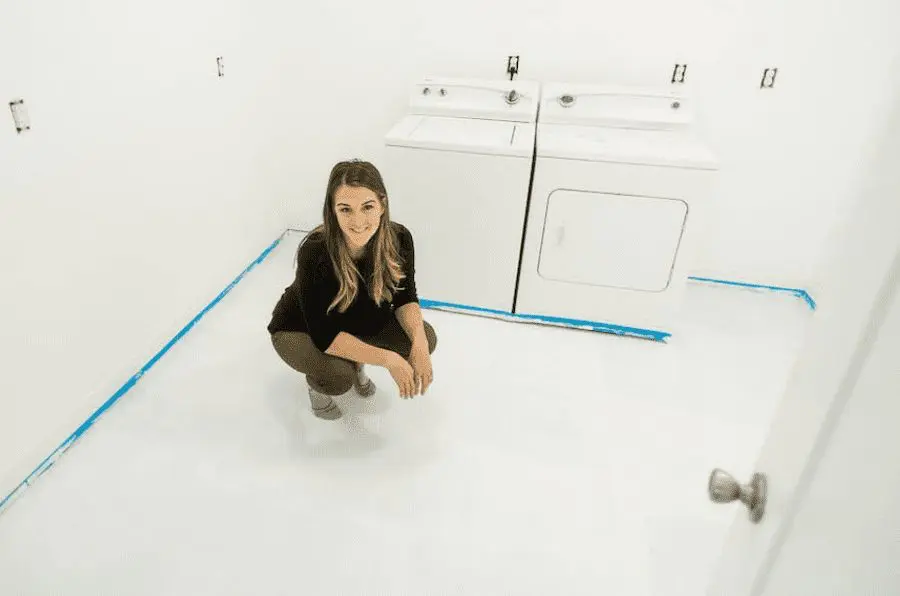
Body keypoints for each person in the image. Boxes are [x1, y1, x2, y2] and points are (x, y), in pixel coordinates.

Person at [267, 159, 438, 420]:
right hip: (300, 328)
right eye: (345, 210)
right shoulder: (315, 251)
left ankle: (357, 360)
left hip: (353, 319)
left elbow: (406, 297)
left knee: (424, 336)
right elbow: (324, 335)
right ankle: (319, 387)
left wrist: (420, 344)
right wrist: (389, 359)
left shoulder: (400, 238)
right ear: (332, 211)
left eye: (367, 207)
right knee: (338, 377)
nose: (358, 222)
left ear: (382, 204)